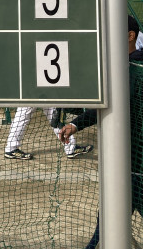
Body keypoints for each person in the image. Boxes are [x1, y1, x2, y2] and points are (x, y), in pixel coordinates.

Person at [58, 14, 143, 248]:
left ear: (130, 36)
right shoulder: (123, 68)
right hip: (127, 166)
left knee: (107, 221)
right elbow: (109, 105)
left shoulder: (135, 68)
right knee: (107, 221)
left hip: (138, 167)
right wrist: (75, 124)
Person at [4, 106, 93, 160]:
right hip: (32, 89)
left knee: (54, 114)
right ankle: (11, 148)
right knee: (23, 115)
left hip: (43, 88)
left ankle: (70, 147)